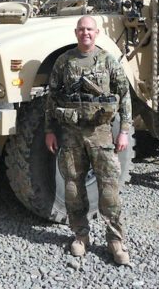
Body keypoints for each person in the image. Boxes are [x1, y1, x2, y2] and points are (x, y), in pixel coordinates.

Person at [44, 15, 132, 265]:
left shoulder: (107, 60)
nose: (86, 33)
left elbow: (124, 96)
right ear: (76, 33)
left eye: (90, 29)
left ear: (97, 33)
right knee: (72, 186)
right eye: (82, 29)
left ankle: (116, 240)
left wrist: (124, 130)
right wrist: (49, 130)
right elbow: (51, 98)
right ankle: (81, 236)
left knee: (109, 188)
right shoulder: (64, 61)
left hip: (101, 132)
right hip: (71, 132)